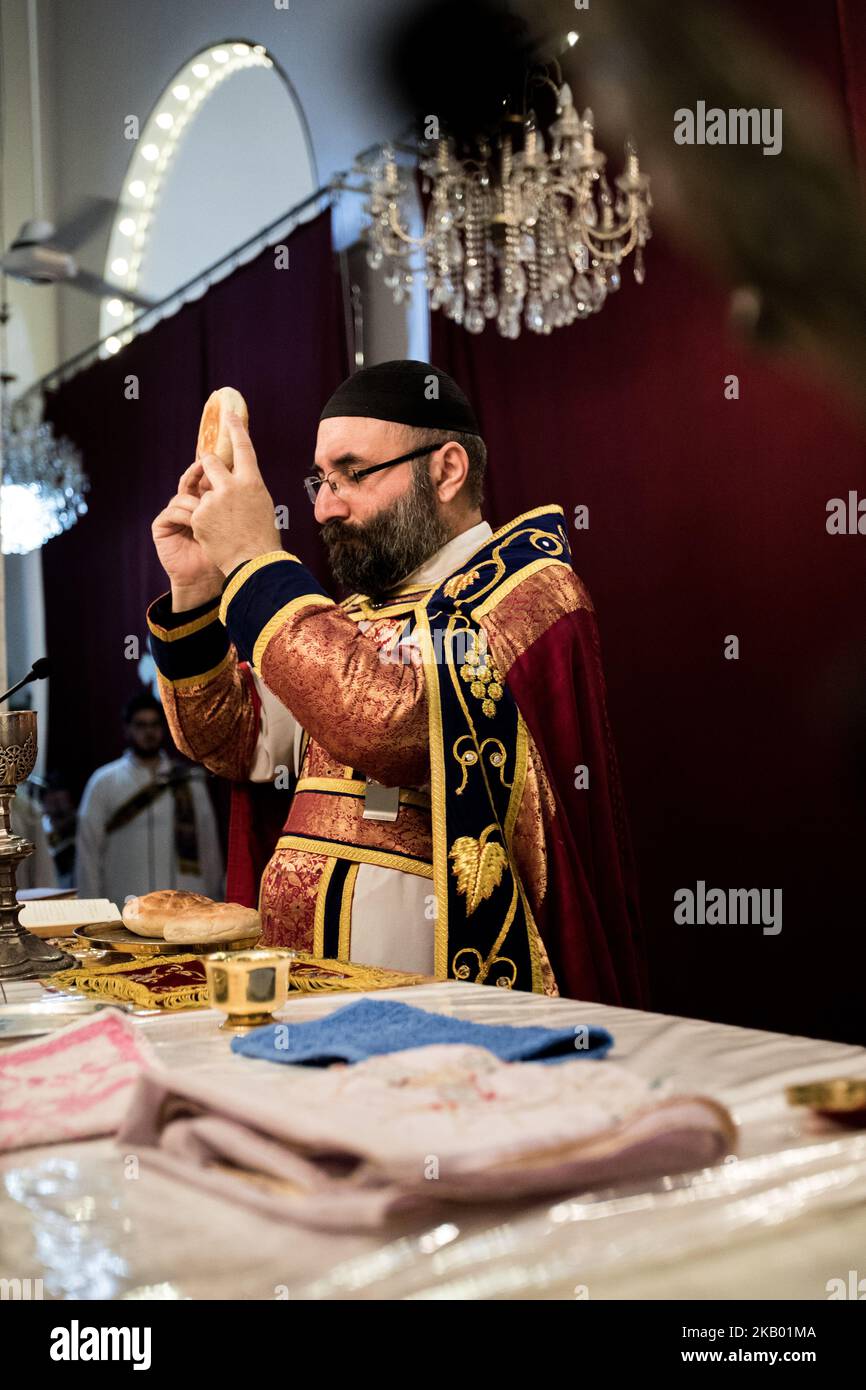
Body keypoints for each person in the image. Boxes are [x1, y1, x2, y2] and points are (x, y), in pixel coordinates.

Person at [147, 359, 645, 1002]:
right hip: (300, 988)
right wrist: (195, 591)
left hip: (453, 999)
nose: (325, 505)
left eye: (351, 473)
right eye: (319, 480)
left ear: (446, 470)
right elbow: (227, 741)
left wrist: (254, 563)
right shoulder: (346, 617)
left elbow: (392, 726)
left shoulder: (527, 591)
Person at [75, 691, 223, 905]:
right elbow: (88, 850)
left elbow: (208, 843)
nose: (148, 732)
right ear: (127, 729)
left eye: (154, 725)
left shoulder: (189, 781)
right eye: (140, 726)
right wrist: (90, 906)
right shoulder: (104, 782)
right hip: (123, 904)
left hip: (183, 906)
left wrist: (214, 898)